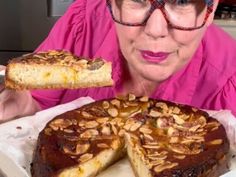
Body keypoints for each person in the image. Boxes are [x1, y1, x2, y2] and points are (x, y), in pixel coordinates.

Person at [0, 0, 235, 123]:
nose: (155, 30)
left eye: (182, 0)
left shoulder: (229, 81)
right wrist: (23, 110)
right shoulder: (82, 23)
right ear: (111, 2)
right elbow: (32, 120)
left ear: (211, 9)